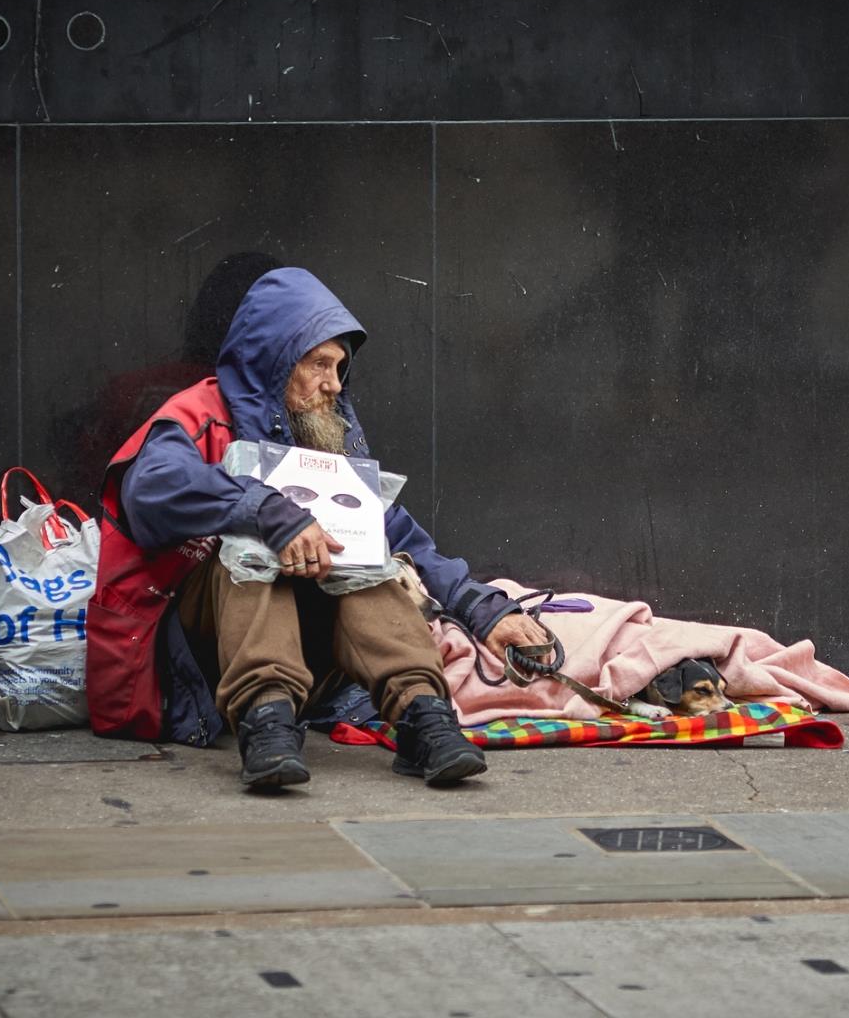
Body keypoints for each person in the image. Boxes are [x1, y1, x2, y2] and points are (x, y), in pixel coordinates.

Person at [87, 266, 551, 790]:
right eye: (318, 364)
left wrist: (482, 611)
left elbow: (392, 527)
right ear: (275, 361)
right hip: (194, 657)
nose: (334, 383)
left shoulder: (322, 430)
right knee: (256, 547)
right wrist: (271, 515)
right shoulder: (198, 413)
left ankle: (423, 717)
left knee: (362, 551)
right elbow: (152, 489)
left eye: (339, 367)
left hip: (307, 661)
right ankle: (265, 723)